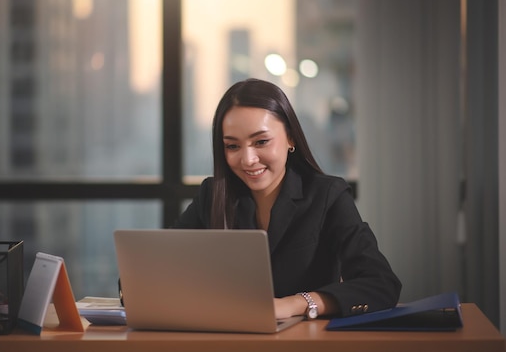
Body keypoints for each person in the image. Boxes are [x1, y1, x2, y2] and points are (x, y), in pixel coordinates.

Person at [172, 78, 402, 319]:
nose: (248, 159)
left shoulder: (327, 195)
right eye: (232, 146)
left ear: (290, 138)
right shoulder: (213, 194)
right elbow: (163, 266)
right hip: (228, 336)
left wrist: (295, 304)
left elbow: (381, 283)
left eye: (261, 142)